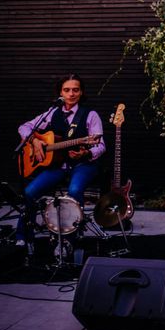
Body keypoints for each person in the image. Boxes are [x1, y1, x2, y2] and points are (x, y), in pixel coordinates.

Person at [16, 74, 106, 255]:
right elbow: (24, 127)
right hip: (58, 165)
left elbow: (101, 145)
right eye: (67, 90)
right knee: (29, 192)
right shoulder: (52, 113)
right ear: (60, 93)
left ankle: (69, 239)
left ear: (81, 93)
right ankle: (23, 237)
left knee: (74, 192)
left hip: (83, 164)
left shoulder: (90, 115)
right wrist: (34, 141)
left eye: (75, 90)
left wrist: (87, 152)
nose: (71, 94)